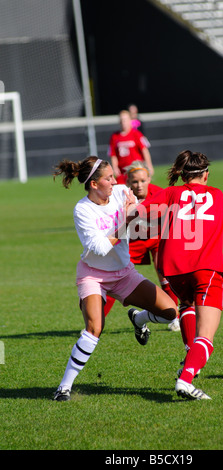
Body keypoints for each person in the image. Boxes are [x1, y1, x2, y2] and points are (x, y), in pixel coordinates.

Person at [52, 156, 177, 401]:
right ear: (94, 185)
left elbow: (140, 216)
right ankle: (64, 388)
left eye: (113, 177)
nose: (114, 181)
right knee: (94, 328)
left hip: (124, 273)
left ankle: (139, 318)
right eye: (108, 178)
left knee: (170, 313)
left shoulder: (120, 192)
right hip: (93, 275)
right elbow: (99, 247)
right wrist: (127, 220)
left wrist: (135, 212)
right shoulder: (82, 209)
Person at [134, 150, 223, 401]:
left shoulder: (170, 193)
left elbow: (137, 216)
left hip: (174, 271)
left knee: (187, 305)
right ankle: (185, 380)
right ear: (206, 174)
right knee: (206, 337)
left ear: (183, 175)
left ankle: (188, 357)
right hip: (206, 269)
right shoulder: (217, 195)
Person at [103, 160, 180, 332]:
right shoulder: (121, 196)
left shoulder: (160, 194)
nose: (139, 185)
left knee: (166, 273)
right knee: (115, 276)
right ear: (128, 181)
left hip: (157, 239)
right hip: (132, 241)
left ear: (149, 178)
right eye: (135, 181)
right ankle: (97, 322)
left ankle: (175, 317)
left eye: (143, 181)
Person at [108, 110, 154, 184]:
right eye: (122, 120)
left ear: (130, 120)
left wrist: (149, 165)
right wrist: (115, 168)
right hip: (123, 172)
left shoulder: (137, 134)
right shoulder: (114, 137)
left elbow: (144, 150)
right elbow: (113, 155)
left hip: (136, 169)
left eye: (125, 120)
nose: (123, 122)